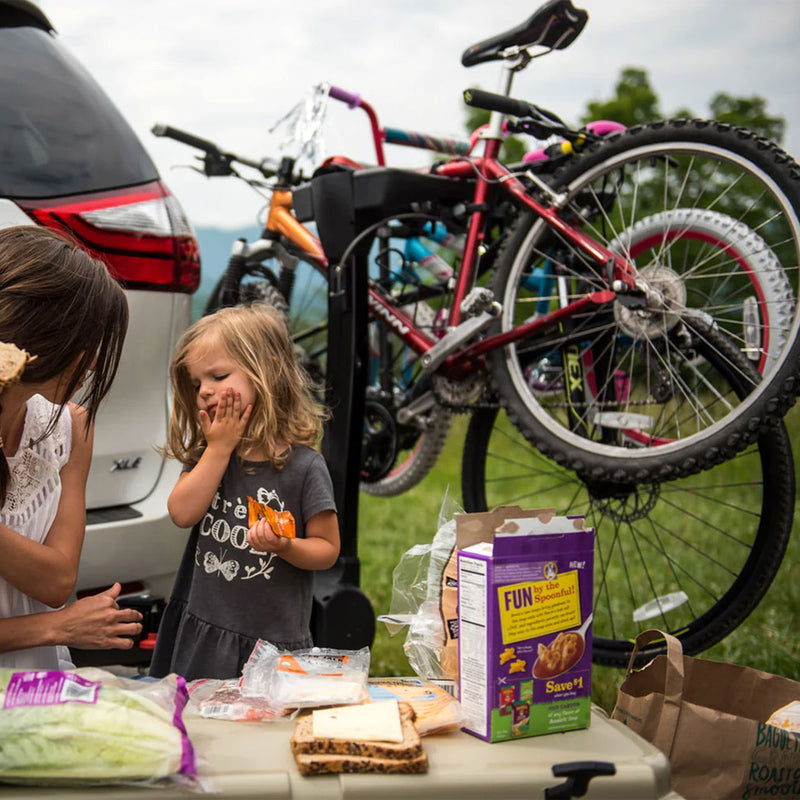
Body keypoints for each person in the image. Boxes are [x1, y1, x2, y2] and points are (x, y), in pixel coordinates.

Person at [149, 304, 340, 681]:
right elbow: (182, 513)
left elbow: (327, 549)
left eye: (218, 376)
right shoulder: (212, 454)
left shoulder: (304, 467)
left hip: (269, 643)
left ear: (268, 370)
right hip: (203, 631)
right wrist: (219, 449)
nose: (204, 392)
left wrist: (286, 547)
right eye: (196, 383)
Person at [0, 225, 141, 669]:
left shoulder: (70, 428)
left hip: (40, 688)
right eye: (87, 340)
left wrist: (53, 627)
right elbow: (59, 609)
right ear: (41, 337)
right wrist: (55, 627)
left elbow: (57, 580)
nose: (94, 360)